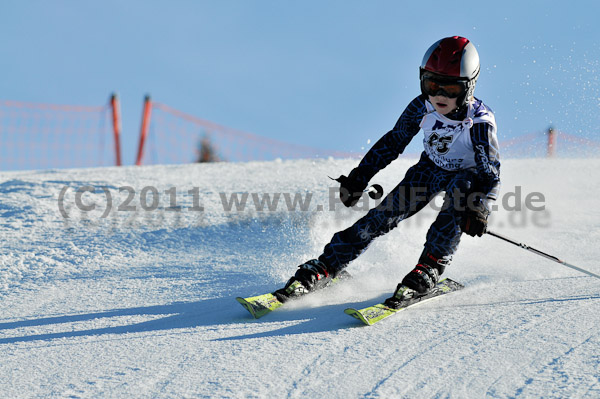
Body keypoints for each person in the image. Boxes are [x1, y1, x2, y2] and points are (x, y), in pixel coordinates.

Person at [275, 36, 500, 306]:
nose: (440, 94)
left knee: (459, 195)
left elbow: (490, 174)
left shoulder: (479, 122)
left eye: (451, 88)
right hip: (430, 169)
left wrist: (479, 207)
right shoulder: (422, 106)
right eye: (432, 83)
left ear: (468, 86)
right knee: (381, 217)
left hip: (466, 176)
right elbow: (394, 141)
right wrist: (360, 177)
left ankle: (429, 266)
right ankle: (328, 265)